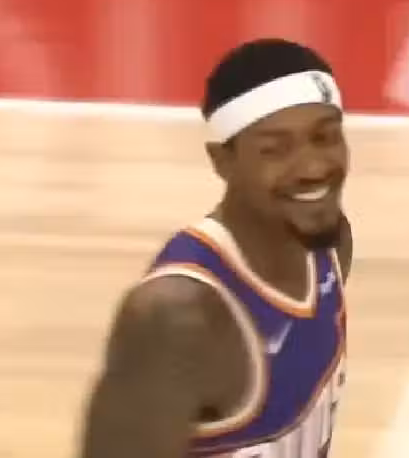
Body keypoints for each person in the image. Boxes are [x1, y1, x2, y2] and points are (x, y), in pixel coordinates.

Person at [80, 38, 353, 458]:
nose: (314, 168)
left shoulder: (327, 245)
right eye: (275, 149)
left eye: (325, 137)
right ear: (222, 161)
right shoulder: (177, 318)